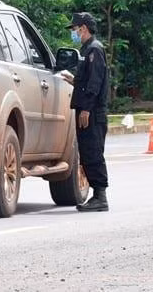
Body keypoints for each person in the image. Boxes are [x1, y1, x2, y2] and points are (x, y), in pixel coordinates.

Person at [64, 12, 110, 212]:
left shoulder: (94, 50)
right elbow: (85, 81)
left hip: (92, 112)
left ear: (83, 28)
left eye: (74, 29)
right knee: (87, 152)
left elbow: (95, 83)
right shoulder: (86, 50)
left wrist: (86, 109)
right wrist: (72, 80)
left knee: (93, 152)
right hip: (86, 109)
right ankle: (96, 195)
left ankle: (100, 196)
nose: (73, 32)